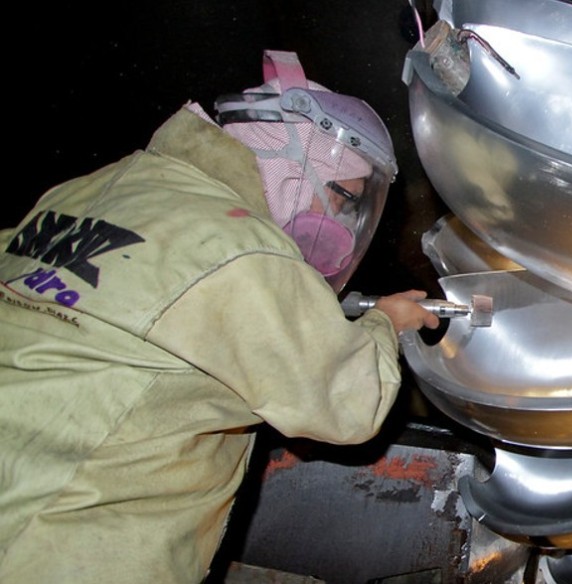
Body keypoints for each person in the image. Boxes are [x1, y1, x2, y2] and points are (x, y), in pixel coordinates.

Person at [0, 50, 439, 582]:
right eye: (341, 196)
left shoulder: (94, 188)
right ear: (294, 171)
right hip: (61, 542)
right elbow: (345, 404)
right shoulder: (243, 250)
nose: (336, 222)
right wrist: (384, 325)